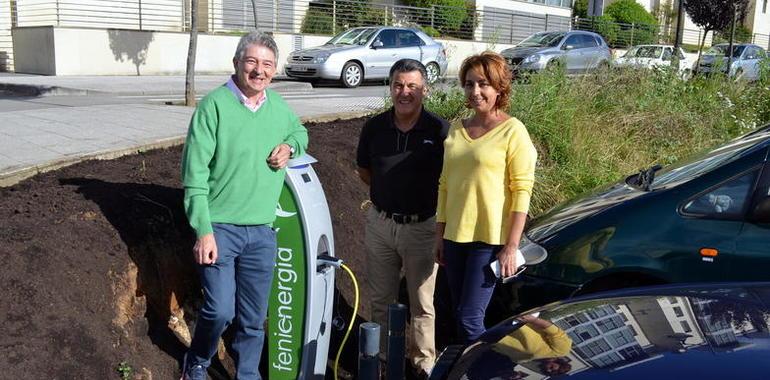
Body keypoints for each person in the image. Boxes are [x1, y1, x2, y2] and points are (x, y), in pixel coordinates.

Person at [180, 31, 308, 380]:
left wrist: (290, 147)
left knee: (253, 318)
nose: (259, 70)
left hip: (262, 233)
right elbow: (194, 177)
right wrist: (203, 231)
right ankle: (198, 361)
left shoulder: (278, 108)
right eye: (251, 61)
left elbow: (300, 132)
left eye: (267, 64)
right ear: (237, 63)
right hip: (220, 229)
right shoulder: (214, 107)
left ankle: (247, 374)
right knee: (220, 310)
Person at [356, 58, 449, 377]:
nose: (404, 92)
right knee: (380, 299)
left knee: (422, 302)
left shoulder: (438, 131)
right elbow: (365, 171)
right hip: (381, 224)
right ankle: (381, 359)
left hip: (422, 227)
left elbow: (448, 180)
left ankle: (423, 363)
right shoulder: (374, 127)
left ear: (424, 89)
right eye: (398, 85)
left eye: (412, 86)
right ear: (390, 87)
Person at [436, 51, 537, 343]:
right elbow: (445, 185)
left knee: (469, 317)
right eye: (469, 84)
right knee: (458, 311)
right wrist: (439, 235)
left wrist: (511, 246)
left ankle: (480, 370)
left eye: (483, 84)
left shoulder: (513, 131)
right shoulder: (457, 129)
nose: (475, 91)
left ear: (499, 87)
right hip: (455, 238)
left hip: (489, 241)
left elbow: (522, 191)